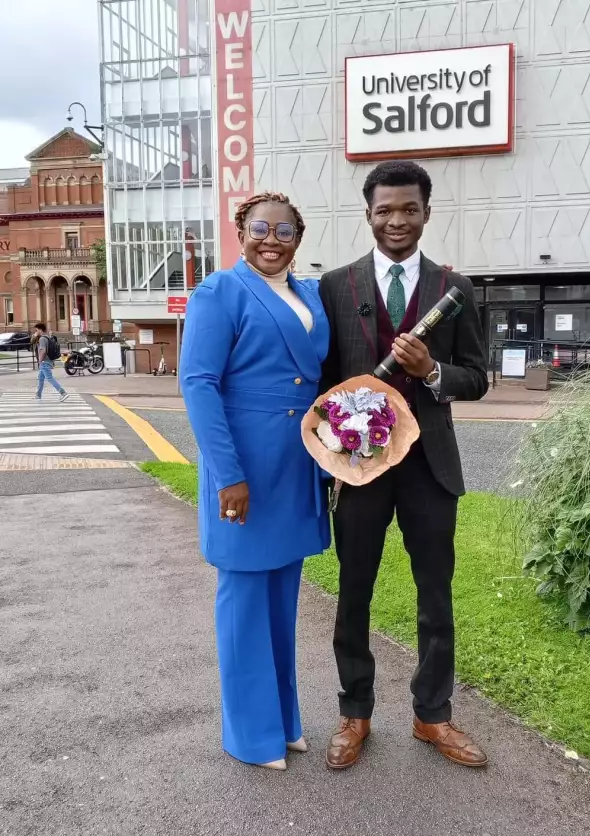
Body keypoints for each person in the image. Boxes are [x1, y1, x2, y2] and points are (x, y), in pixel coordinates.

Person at [319, 161, 489, 770]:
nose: (396, 220)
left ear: (426, 211)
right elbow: (325, 380)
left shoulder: (455, 288)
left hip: (430, 469)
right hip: (362, 469)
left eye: (408, 209)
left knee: (434, 594)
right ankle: (354, 712)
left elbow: (478, 377)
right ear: (368, 214)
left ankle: (432, 717)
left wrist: (432, 373)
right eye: (385, 210)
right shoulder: (335, 286)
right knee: (354, 592)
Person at [180, 192, 330, 771]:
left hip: (294, 466)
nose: (272, 239)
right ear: (240, 229)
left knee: (281, 603)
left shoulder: (309, 293)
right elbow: (198, 384)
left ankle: (283, 722)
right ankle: (250, 735)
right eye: (260, 227)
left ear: (300, 235)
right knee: (244, 603)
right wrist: (228, 475)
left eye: (285, 230)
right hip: (244, 469)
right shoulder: (219, 291)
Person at [33, 323, 69, 402]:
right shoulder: (48, 337)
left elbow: (43, 350)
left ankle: (63, 393)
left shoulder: (42, 339)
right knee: (41, 378)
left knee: (49, 378)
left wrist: (40, 361)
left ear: (40, 329)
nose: (35, 332)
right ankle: (38, 395)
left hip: (44, 361)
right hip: (48, 361)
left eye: (36, 330)